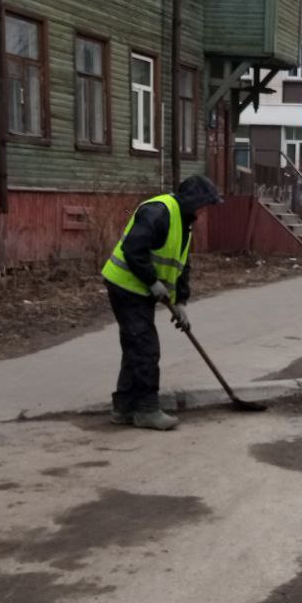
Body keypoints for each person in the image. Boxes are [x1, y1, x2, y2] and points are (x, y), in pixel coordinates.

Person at [100, 175, 223, 430]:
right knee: (145, 347)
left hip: (139, 289)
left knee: (136, 345)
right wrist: (151, 281)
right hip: (126, 286)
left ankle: (124, 407)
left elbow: (181, 266)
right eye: (204, 204)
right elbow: (134, 249)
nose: (205, 210)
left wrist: (181, 303)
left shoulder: (185, 222)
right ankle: (146, 410)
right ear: (193, 200)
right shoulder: (159, 211)